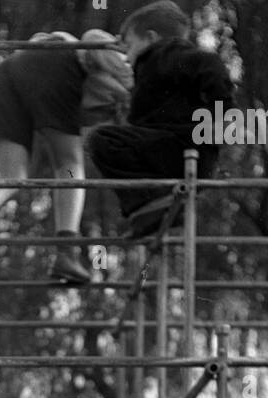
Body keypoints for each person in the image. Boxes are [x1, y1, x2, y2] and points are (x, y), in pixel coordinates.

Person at [0, 28, 132, 284]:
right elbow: (95, 40)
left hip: (7, 73)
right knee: (69, 165)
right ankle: (67, 253)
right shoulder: (122, 69)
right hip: (56, 64)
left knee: (11, 176)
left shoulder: (46, 55)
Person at [87, 2, 234, 236]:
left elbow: (213, 73)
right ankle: (149, 210)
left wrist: (218, 119)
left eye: (130, 47)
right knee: (114, 139)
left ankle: (149, 204)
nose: (126, 56)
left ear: (151, 38)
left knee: (101, 140)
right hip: (181, 154)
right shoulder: (151, 71)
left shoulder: (169, 57)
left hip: (182, 148)